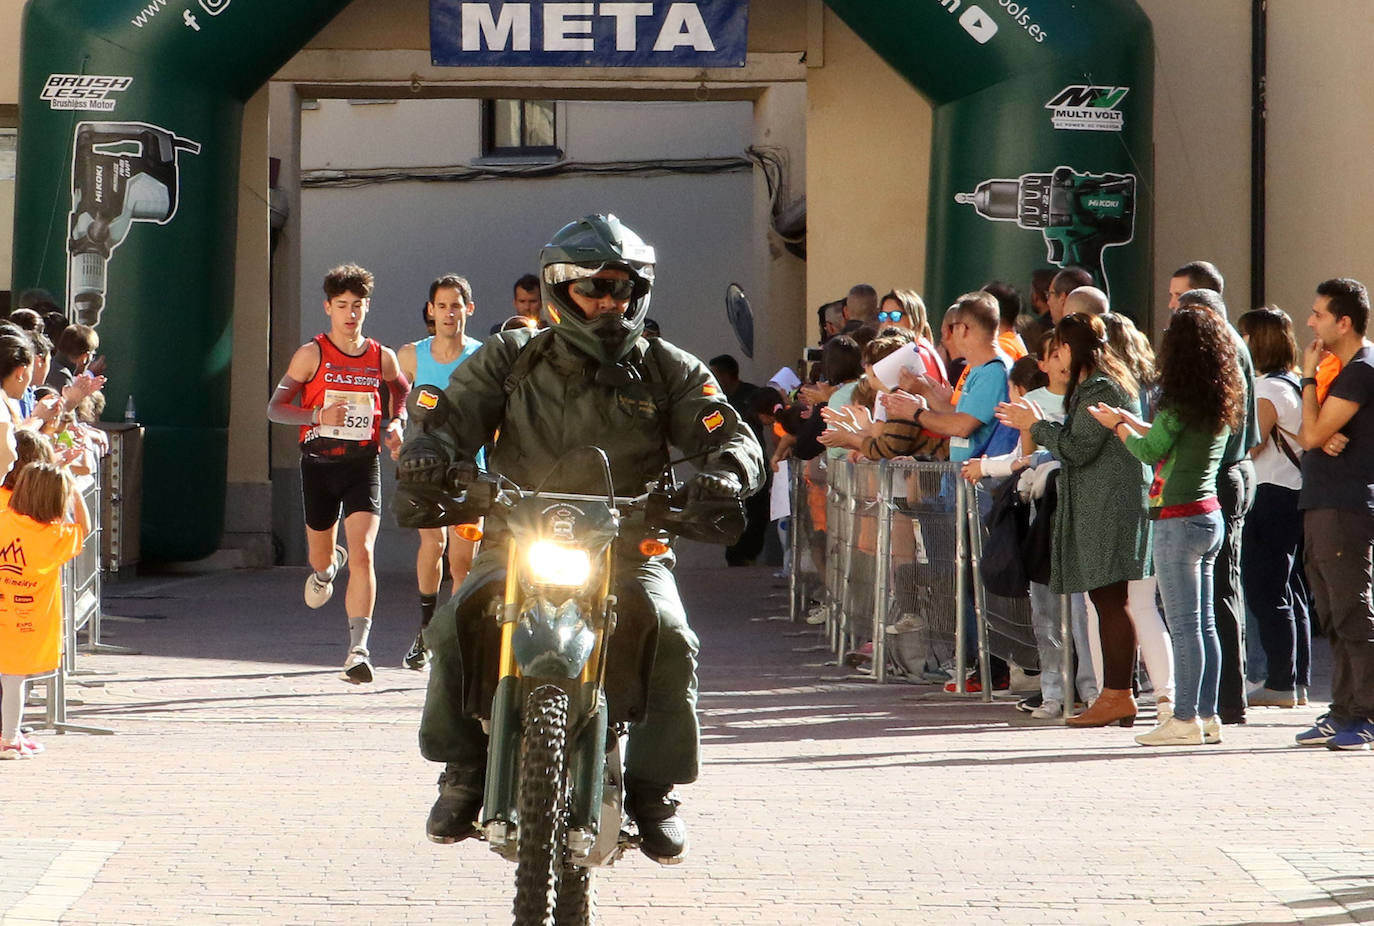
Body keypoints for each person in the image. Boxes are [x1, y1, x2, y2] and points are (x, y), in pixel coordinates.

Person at [395, 214, 763, 860]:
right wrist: (431, 455)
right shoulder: (511, 356)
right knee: (452, 625)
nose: (608, 302)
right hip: (516, 534)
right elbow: (450, 419)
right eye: (594, 289)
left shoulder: (664, 367)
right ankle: (463, 770)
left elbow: (728, 431)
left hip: (629, 543)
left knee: (673, 635)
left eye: (620, 289)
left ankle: (653, 789)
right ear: (562, 289)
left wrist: (728, 474)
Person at [1092, 307, 1243, 746]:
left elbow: (1150, 448)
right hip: (1208, 514)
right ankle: (1209, 715)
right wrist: (1125, 420)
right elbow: (1168, 437)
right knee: (1205, 625)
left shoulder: (1179, 398)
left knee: (1184, 625)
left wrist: (1120, 426)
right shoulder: (1218, 396)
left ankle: (1183, 719)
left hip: (1177, 519)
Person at [998, 313, 1151, 729]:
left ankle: (1118, 695)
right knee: (1109, 600)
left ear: (1076, 348)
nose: (1057, 354)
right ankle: (1116, 694)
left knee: (1110, 600)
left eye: (1061, 345)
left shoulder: (1101, 385)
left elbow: (1076, 447)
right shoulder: (1099, 383)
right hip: (1105, 502)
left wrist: (1035, 425)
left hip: (1109, 505)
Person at [267, 263, 410, 685]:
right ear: (328, 308)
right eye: (342, 306)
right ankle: (327, 568)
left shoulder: (380, 356)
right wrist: (317, 413)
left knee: (365, 552)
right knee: (321, 558)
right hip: (319, 464)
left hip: (362, 463)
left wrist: (397, 422)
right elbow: (274, 409)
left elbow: (401, 392)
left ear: (366, 309)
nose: (350, 314)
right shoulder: (311, 354)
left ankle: (358, 650)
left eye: (358, 306)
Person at [1173, 282, 1259, 725]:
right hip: (1234, 470)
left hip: (1221, 476)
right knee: (1221, 590)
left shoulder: (1219, 348)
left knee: (1216, 593)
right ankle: (1224, 698)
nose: (1171, 310)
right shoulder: (1232, 346)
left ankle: (1224, 700)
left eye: (1178, 301)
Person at [1293, 278, 1374, 749]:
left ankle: (1364, 711)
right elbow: (1316, 433)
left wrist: (1306, 379)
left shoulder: (1360, 369)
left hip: (1346, 506)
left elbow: (1308, 434)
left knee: (1352, 610)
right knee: (1331, 610)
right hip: (1321, 500)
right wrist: (1322, 431)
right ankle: (1343, 709)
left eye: (1319, 314)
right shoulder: (1338, 372)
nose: (1311, 322)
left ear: (1345, 322)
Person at [396, 274, 484, 671]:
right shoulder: (411, 356)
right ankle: (426, 630)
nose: (449, 313)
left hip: (469, 471)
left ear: (469, 309)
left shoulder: (483, 356)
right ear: (431, 311)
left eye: (456, 305)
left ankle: (455, 637)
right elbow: (394, 399)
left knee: (462, 564)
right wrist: (394, 427)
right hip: (423, 470)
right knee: (432, 547)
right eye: (442, 305)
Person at [1236, 307, 1310, 710]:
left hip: (1269, 493)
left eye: (1244, 335)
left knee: (1266, 590)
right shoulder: (1291, 383)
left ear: (1255, 341)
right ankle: (1295, 681)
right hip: (1290, 492)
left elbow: (1252, 443)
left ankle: (1280, 681)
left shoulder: (1267, 390)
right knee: (1288, 588)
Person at [0, 462, 91, 758]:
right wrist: (76, 492)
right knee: (14, 682)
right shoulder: (55, 536)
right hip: (24, 622)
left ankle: (10, 737)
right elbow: (84, 529)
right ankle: (11, 739)